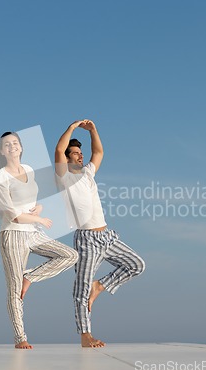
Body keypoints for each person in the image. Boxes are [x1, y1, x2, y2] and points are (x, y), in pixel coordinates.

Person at [55, 119, 145, 348]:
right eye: (74, 153)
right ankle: (85, 335)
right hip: (86, 240)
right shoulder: (63, 177)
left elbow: (99, 151)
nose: (80, 156)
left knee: (136, 265)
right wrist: (72, 128)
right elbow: (58, 149)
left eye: (79, 152)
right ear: (66, 158)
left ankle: (100, 286)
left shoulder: (87, 174)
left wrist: (93, 130)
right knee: (81, 289)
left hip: (107, 236)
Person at [0, 131, 78, 349]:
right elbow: (12, 214)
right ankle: (20, 338)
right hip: (13, 233)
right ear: (1, 150)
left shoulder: (28, 169)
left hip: (33, 231)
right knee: (14, 288)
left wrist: (39, 209)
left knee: (70, 255)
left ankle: (30, 277)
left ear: (21, 147)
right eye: (7, 145)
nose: (12, 147)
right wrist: (39, 218)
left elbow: (32, 201)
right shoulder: (1, 176)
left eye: (15, 143)